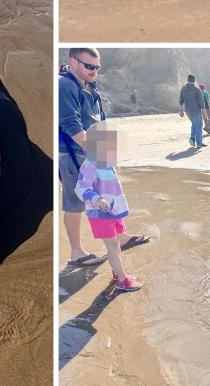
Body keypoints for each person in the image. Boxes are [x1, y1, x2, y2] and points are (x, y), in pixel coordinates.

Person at [59, 48, 148, 267]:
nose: (94, 71)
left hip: (94, 150)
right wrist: (96, 151)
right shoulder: (65, 85)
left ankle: (121, 237)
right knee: (75, 202)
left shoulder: (89, 84)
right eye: (89, 66)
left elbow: (98, 119)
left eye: (97, 67)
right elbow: (71, 124)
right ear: (73, 62)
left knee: (109, 192)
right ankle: (76, 252)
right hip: (73, 153)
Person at [74, 122, 142, 292]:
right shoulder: (90, 164)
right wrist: (96, 199)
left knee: (116, 243)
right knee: (112, 245)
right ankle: (122, 280)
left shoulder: (107, 162)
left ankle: (117, 273)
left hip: (114, 212)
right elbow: (80, 187)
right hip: (100, 213)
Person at [179, 74, 207, 147]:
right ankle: (199, 143)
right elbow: (201, 102)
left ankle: (192, 138)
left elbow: (181, 101)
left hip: (188, 111)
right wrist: (204, 113)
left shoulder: (183, 89)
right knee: (199, 125)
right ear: (194, 80)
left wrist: (181, 111)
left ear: (188, 80)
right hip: (196, 110)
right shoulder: (197, 90)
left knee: (194, 124)